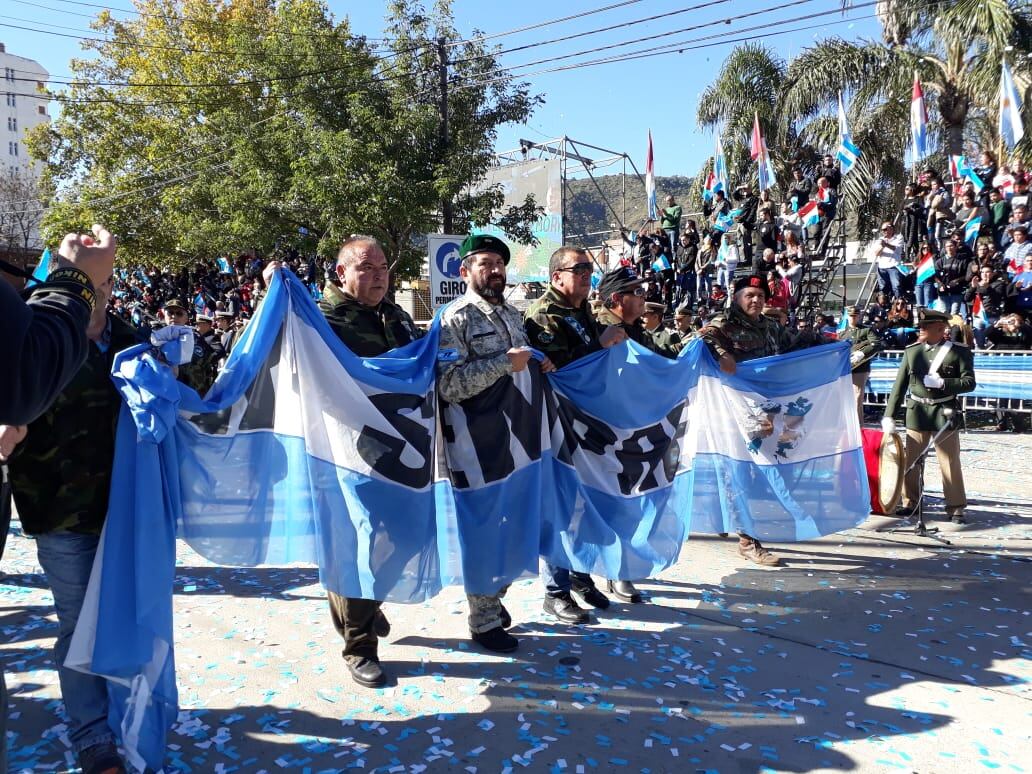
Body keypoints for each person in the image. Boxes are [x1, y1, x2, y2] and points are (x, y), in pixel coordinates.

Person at [2, 269, 142, 774]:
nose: (101, 285)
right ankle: (92, 734)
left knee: (128, 617)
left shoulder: (132, 336)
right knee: (80, 625)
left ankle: (131, 717)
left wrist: (178, 369)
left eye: (107, 275)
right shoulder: (32, 333)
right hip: (60, 508)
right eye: (91, 275)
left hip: (130, 508)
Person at [267, 236, 423, 688]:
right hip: (344, 452)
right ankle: (359, 645)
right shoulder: (319, 319)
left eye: (383, 267)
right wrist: (274, 294)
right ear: (341, 274)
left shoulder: (394, 316)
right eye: (365, 267)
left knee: (408, 537)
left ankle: (365, 605)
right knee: (358, 547)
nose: (378, 274)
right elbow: (275, 350)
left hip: (399, 451)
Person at [437, 234, 556, 652]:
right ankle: (483, 620)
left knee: (514, 524)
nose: (495, 270)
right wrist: (504, 363)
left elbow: (520, 362)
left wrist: (537, 360)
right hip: (475, 445)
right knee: (484, 529)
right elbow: (449, 385)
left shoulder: (511, 313)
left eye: (500, 263)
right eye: (485, 263)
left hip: (514, 440)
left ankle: (494, 594)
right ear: (464, 270)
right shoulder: (454, 318)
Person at [523, 246, 628, 622]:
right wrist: (598, 343)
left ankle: (582, 577)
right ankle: (556, 590)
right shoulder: (543, 315)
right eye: (578, 268)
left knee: (588, 502)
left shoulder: (581, 309)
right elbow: (557, 368)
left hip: (588, 423)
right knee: (560, 505)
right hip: (557, 426)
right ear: (557, 277)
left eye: (589, 268)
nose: (586, 274)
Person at [700, 274, 820, 566]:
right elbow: (702, 338)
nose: (755, 300)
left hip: (765, 414)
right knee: (741, 473)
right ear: (737, 297)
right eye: (749, 295)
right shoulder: (724, 324)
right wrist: (722, 352)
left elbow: (799, 341)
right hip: (733, 414)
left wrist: (837, 342)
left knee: (758, 472)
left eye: (760, 296)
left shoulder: (770, 328)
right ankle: (747, 540)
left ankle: (725, 515)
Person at [882, 308, 976, 524]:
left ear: (941, 329)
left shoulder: (958, 351)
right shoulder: (912, 351)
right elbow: (899, 387)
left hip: (944, 413)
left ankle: (955, 507)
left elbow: (969, 382)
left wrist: (944, 383)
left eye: (926, 326)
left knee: (949, 462)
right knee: (912, 462)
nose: (920, 329)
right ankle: (910, 502)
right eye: (921, 326)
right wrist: (889, 416)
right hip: (917, 412)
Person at [839, 306, 886, 424]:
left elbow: (877, 344)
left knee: (856, 398)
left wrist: (862, 353)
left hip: (860, 368)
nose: (853, 319)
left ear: (859, 316)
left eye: (855, 316)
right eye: (851, 316)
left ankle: (857, 427)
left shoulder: (866, 330)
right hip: (845, 369)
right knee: (844, 399)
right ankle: (846, 425)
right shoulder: (842, 333)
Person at [874, 221, 904, 298]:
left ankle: (899, 302)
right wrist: (882, 246)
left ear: (891, 228)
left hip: (893, 266)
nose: (883, 232)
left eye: (885, 229)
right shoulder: (880, 239)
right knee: (883, 289)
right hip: (882, 267)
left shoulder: (898, 237)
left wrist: (886, 244)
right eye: (882, 230)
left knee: (896, 286)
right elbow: (877, 253)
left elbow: (897, 249)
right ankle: (886, 306)